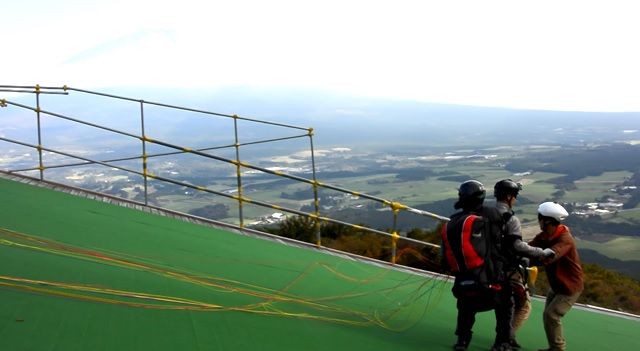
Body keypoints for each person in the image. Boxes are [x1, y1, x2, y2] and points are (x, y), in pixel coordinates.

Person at [443, 180, 512, 351]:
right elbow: (498, 247)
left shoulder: (453, 221)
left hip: (463, 280)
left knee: (466, 307)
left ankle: (462, 341)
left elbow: (445, 254)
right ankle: (502, 342)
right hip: (489, 278)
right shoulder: (493, 214)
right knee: (505, 303)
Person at [492, 179, 556, 350]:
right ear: (508, 197)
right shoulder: (510, 219)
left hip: (485, 267)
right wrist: (542, 252)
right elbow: (517, 246)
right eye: (515, 196)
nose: (515, 199)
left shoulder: (484, 213)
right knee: (523, 305)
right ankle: (507, 337)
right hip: (505, 271)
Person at [529, 202, 584, 351]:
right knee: (548, 317)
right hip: (557, 285)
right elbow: (530, 246)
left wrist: (529, 257)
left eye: (540, 218)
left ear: (547, 220)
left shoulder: (564, 239)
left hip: (569, 287)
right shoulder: (545, 236)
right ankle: (554, 348)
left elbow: (548, 257)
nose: (538, 220)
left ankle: (558, 349)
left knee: (551, 315)